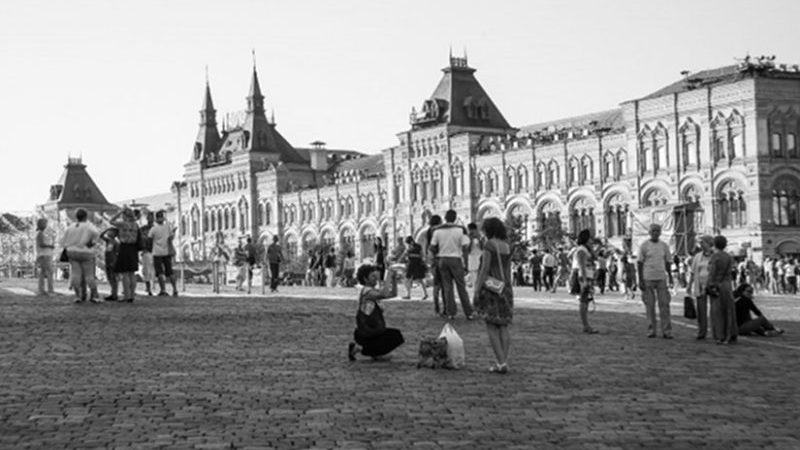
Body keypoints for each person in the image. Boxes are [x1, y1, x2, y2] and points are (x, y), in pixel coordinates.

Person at [472, 217, 514, 374]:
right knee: (503, 325)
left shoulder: (490, 245)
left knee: (491, 325)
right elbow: (508, 270)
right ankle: (503, 360)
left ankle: (501, 363)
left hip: (492, 287)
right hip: (505, 288)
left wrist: (477, 288)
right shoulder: (506, 246)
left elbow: (485, 269)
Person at [348, 264, 404, 361]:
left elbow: (393, 294)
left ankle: (374, 352)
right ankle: (360, 349)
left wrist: (394, 279)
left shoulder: (373, 291)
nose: (375, 278)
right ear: (365, 279)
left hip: (374, 329)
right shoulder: (367, 292)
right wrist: (388, 275)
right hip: (366, 332)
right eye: (372, 276)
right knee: (393, 336)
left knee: (395, 336)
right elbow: (384, 293)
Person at [430, 209, 475, 320]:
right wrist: (466, 263)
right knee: (461, 286)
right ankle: (468, 312)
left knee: (447, 287)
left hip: (442, 259)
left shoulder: (437, 231)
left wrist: (435, 258)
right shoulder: (460, 230)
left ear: (445, 218)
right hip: (455, 258)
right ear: (455, 218)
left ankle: (451, 313)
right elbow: (465, 247)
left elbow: (432, 247)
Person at [637, 223, 673, 339]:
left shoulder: (664, 246)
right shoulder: (644, 246)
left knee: (664, 305)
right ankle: (651, 329)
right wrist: (640, 279)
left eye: (657, 231)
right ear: (649, 233)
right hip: (648, 278)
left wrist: (670, 276)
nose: (655, 233)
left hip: (661, 278)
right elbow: (639, 263)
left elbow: (668, 261)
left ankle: (666, 330)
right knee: (650, 306)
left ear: (660, 233)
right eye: (653, 231)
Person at [61, 208, 101, 303]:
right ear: (86, 216)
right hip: (86, 252)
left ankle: (78, 296)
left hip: (72, 252)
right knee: (89, 275)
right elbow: (96, 234)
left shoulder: (71, 227)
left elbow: (63, 240)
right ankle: (94, 295)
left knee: (75, 274)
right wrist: (91, 243)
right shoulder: (88, 226)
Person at [707, 235, 738, 344]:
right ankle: (731, 333)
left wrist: (710, 285)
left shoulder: (715, 257)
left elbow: (712, 272)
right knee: (729, 310)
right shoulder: (728, 256)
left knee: (718, 311)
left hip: (717, 285)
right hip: (727, 285)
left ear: (714, 244)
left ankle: (720, 335)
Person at [570, 229, 598, 334]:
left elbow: (595, 258)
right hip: (583, 276)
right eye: (590, 238)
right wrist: (585, 280)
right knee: (584, 301)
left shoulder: (586, 250)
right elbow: (581, 265)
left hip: (587, 275)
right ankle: (585, 325)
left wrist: (591, 249)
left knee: (586, 300)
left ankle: (586, 325)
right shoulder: (581, 250)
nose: (592, 240)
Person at [110, 207, 140, 303]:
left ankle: (126, 296)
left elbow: (111, 221)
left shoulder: (123, 224)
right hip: (133, 248)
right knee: (132, 273)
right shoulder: (135, 225)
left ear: (124, 215)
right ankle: (132, 295)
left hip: (125, 247)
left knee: (125, 273)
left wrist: (119, 212)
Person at [687, 235, 714, 340]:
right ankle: (702, 331)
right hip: (700, 285)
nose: (701, 245)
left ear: (709, 243)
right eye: (700, 243)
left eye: (703, 242)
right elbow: (693, 272)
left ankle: (716, 330)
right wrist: (689, 285)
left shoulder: (714, 255)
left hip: (712, 285)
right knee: (701, 310)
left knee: (714, 310)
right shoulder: (698, 256)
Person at [148, 210, 178, 297]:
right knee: (170, 272)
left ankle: (163, 290)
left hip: (157, 253)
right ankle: (175, 289)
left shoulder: (153, 229)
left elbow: (149, 240)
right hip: (167, 252)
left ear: (155, 219)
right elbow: (171, 237)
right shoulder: (167, 227)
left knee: (160, 272)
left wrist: (149, 249)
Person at [420, 214, 443, 315]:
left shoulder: (428, 232)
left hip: (433, 259)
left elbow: (426, 247)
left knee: (436, 284)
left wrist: (428, 259)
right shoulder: (439, 231)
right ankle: (446, 306)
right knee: (445, 283)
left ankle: (436, 305)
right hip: (441, 257)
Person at [35, 218, 55, 296]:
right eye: (45, 223)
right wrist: (50, 246)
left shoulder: (41, 233)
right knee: (50, 272)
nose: (46, 225)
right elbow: (41, 244)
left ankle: (41, 289)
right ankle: (50, 290)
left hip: (44, 255)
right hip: (44, 255)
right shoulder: (40, 234)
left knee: (43, 273)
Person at [99, 226, 120, 301]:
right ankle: (112, 292)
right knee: (109, 278)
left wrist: (114, 262)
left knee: (114, 278)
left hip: (113, 262)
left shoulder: (116, 243)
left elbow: (117, 253)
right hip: (107, 261)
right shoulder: (108, 241)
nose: (109, 233)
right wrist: (106, 230)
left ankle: (115, 294)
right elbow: (101, 236)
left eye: (111, 232)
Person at [139, 211, 156, 296]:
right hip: (146, 251)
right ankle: (148, 288)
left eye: (152, 217)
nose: (150, 219)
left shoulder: (156, 228)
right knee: (146, 271)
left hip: (156, 251)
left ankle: (153, 287)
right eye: (149, 217)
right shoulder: (143, 229)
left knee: (154, 271)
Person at [466, 222, 483, 288]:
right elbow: (468, 250)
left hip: (480, 257)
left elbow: (482, 248)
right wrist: (471, 240)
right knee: (475, 281)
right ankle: (476, 294)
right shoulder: (467, 238)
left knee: (481, 279)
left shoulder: (481, 237)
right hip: (472, 260)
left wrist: (479, 239)